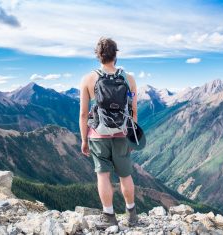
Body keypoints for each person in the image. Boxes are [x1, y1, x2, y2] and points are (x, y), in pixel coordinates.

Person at [79, 37, 138, 228]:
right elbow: (133, 111)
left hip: (98, 135)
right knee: (125, 175)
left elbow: (82, 113)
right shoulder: (128, 79)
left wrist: (84, 140)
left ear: (98, 56)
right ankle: (132, 215)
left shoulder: (88, 79)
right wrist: (132, 137)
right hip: (122, 134)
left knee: (103, 176)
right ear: (116, 55)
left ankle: (109, 216)